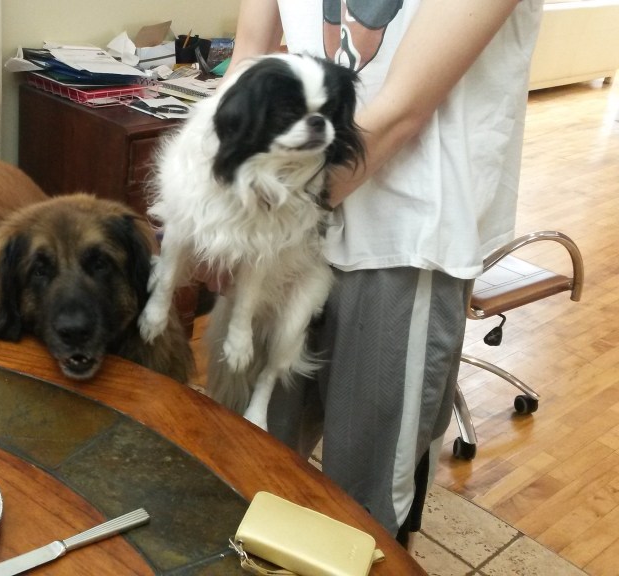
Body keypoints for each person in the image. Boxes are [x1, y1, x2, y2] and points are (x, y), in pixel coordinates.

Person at [222, 0, 545, 543]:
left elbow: (401, 111)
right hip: (282, 223)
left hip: (403, 236)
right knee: (248, 456)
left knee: (360, 506)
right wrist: (217, 191)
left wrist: (257, 215)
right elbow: (249, 56)